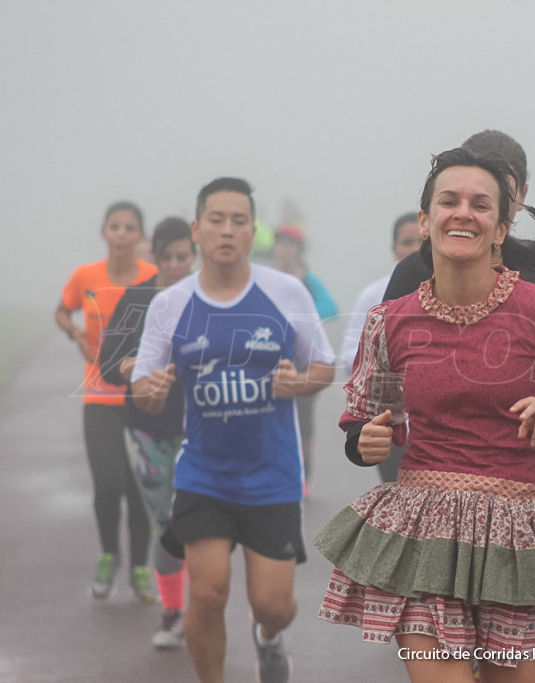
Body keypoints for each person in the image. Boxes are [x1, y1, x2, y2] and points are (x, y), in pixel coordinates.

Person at [315, 148, 535, 683]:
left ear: (501, 227)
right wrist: (362, 439)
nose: (463, 212)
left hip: (520, 532)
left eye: (481, 205)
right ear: (424, 220)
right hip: (424, 529)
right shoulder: (388, 321)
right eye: (448, 201)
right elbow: (364, 414)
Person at [131, 178, 335, 683]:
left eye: (239, 221)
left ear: (252, 231)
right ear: (198, 230)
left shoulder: (285, 291)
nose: (227, 230)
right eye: (216, 221)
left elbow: (324, 366)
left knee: (273, 605)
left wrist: (298, 382)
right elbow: (141, 380)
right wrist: (150, 390)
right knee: (206, 592)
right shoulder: (170, 304)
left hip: (273, 475)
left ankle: (268, 639)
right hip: (204, 473)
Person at [384, 129, 535, 497]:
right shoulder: (412, 273)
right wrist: (375, 446)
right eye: (455, 197)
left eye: (492, 195)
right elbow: (381, 387)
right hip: (431, 465)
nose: (467, 212)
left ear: (521, 195)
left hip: (533, 458)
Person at [99, 217, 197, 649]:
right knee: (168, 526)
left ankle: (197, 608)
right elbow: (108, 361)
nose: (175, 264)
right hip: (146, 431)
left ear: (193, 256)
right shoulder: (137, 299)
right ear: (153, 258)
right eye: (168, 257)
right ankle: (173, 610)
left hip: (199, 432)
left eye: (183, 256)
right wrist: (133, 369)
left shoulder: (208, 299)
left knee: (196, 521)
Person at [54, 201, 157, 601]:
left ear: (139, 236)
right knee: (107, 483)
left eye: (129, 227)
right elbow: (62, 312)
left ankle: (140, 568)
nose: (121, 234)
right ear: (103, 232)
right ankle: (108, 555)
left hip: (141, 396)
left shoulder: (153, 279)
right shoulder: (85, 276)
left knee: (138, 488)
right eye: (114, 226)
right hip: (98, 394)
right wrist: (75, 333)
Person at [338, 212, 423, 483]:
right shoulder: (373, 296)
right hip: (391, 429)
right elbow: (350, 355)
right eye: (406, 242)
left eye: (421, 241)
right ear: (393, 249)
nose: (414, 250)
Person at [272, 223, 338, 494]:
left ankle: (304, 473)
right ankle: (278, 470)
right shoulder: (269, 278)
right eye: (280, 243)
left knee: (304, 422)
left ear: (298, 249)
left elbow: (330, 306)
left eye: (289, 244)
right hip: (273, 361)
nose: (284, 249)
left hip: (306, 362)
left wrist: (302, 320)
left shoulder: (309, 281)